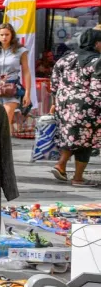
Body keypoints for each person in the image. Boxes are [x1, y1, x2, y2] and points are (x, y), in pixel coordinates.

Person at [50, 27, 101, 187]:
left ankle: (61, 166)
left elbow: (54, 83)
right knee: (86, 141)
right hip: (87, 106)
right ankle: (77, 178)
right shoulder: (96, 61)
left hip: (64, 104)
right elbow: (97, 89)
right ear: (96, 44)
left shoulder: (66, 58)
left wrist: (54, 103)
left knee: (71, 136)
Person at [0, 22, 33, 132]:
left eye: (7, 34)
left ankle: (3, 141)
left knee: (6, 119)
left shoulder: (20, 50)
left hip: (12, 87)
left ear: (12, 35)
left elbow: (26, 71)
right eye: (1, 35)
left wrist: (27, 93)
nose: (4, 37)